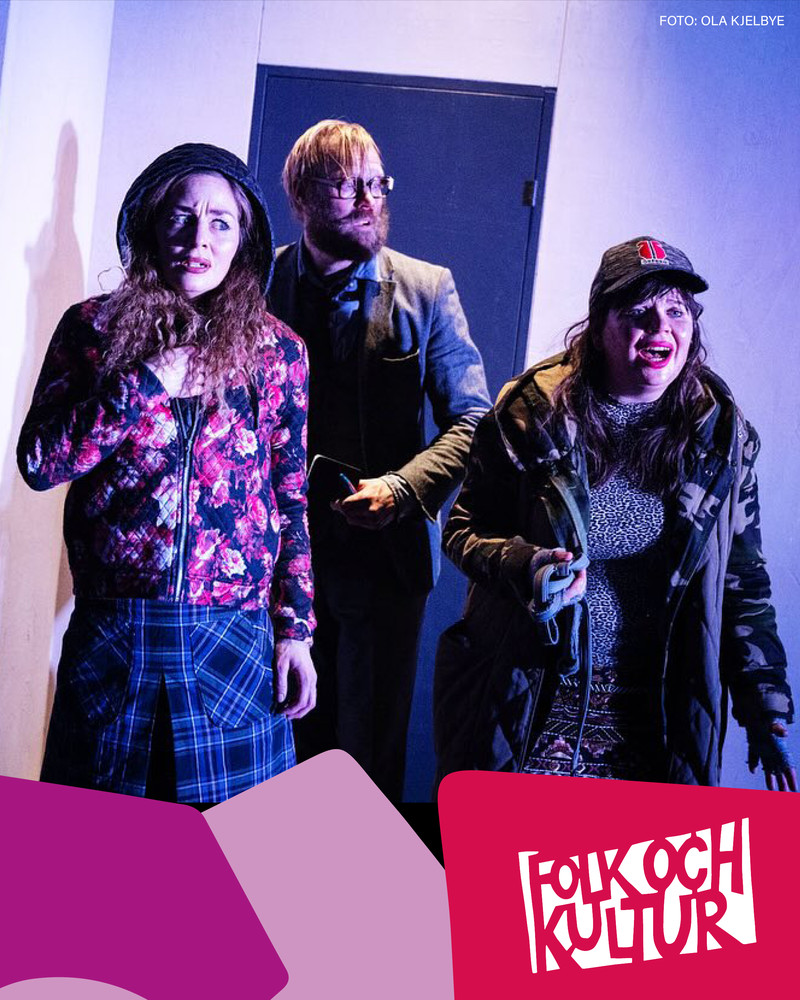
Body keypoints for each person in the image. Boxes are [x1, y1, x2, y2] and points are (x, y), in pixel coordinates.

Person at [435, 236, 795, 791]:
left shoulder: (722, 437)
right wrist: (525, 564)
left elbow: (742, 581)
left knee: (639, 850)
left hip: (655, 714)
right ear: (599, 325)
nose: (659, 329)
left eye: (676, 311)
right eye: (637, 312)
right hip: (533, 698)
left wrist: (765, 706)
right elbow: (463, 530)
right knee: (516, 847)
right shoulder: (531, 415)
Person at [17, 143, 316, 804]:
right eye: (181, 217)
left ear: (244, 238)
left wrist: (296, 630)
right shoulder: (92, 329)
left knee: (235, 850)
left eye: (220, 222)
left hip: (233, 643)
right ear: (151, 222)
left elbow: (290, 500)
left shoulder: (278, 352)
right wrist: (146, 382)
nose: (198, 239)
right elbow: (40, 463)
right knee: (97, 848)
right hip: (114, 637)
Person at [269, 119, 490, 800]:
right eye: (347, 186)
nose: (370, 200)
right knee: (272, 754)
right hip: (268, 566)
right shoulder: (255, 282)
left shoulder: (427, 289)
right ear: (302, 197)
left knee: (364, 765)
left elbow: (473, 420)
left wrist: (402, 488)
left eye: (377, 183)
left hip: (385, 567)